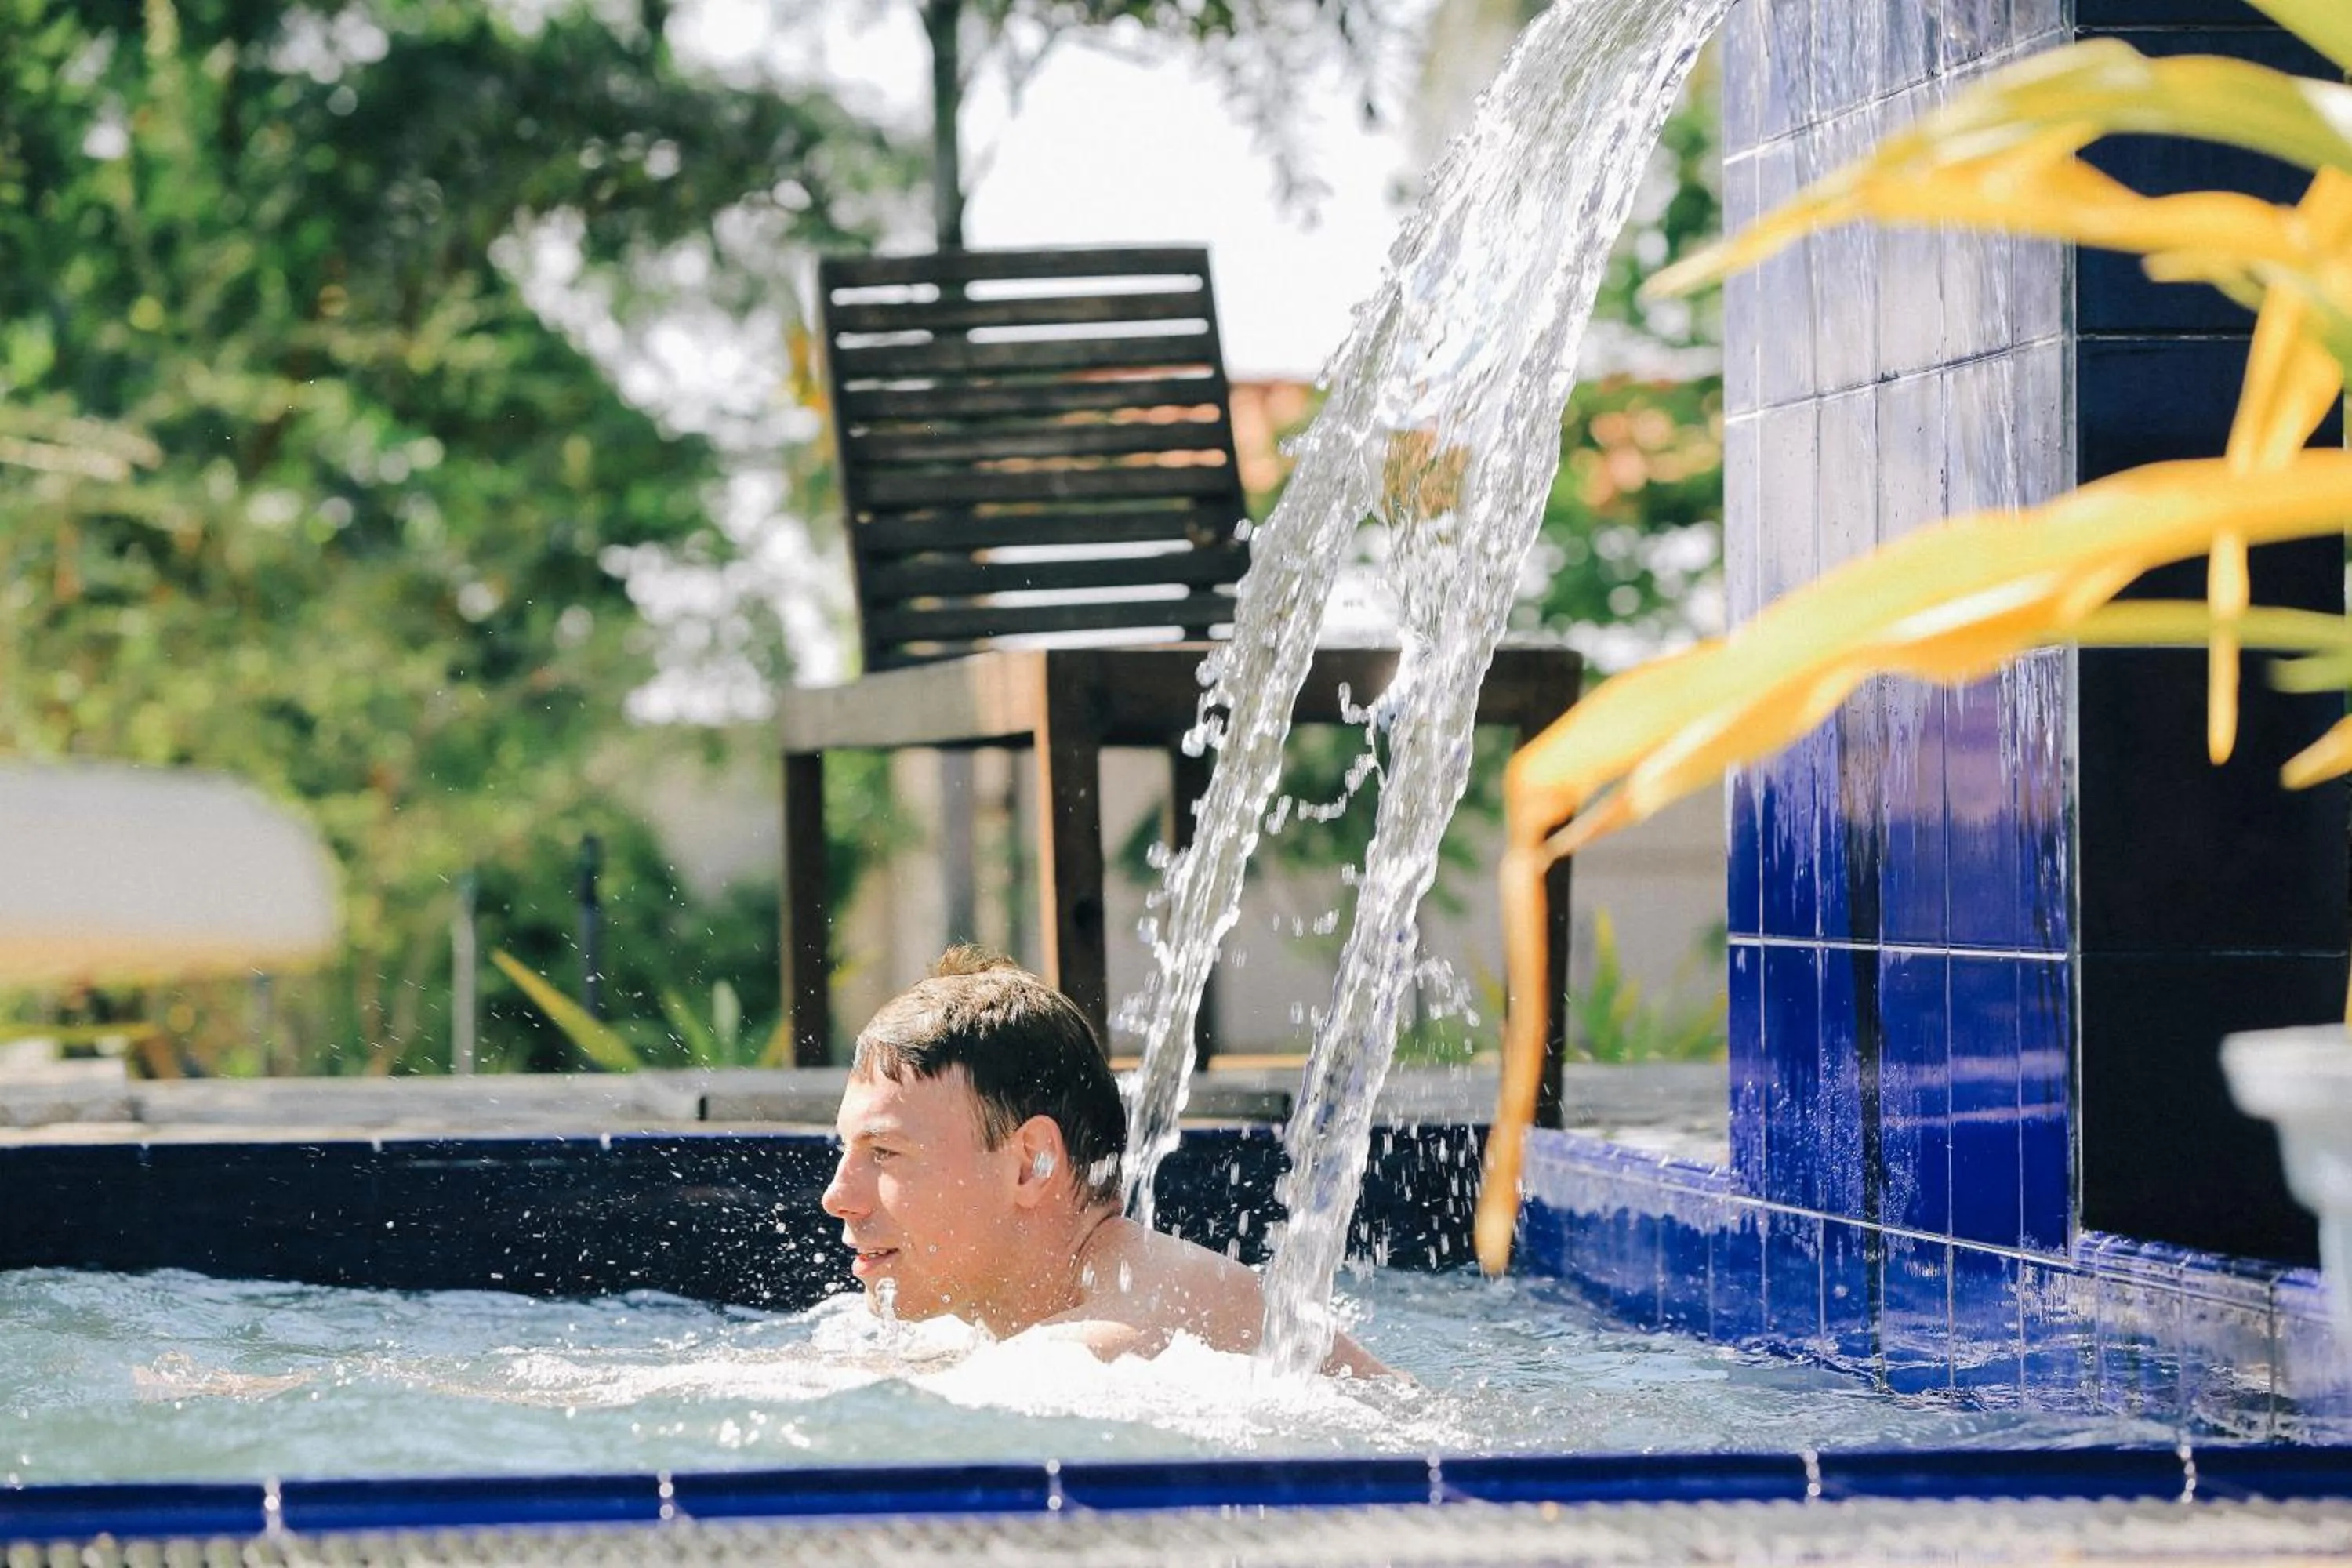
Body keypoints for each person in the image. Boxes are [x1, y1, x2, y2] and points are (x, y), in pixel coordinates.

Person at [821, 946, 1388, 1378]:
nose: (837, 1195)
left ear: (1031, 1164)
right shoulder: (1059, 1327)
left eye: (885, 1153)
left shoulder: (1109, 1349)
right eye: (847, 1150)